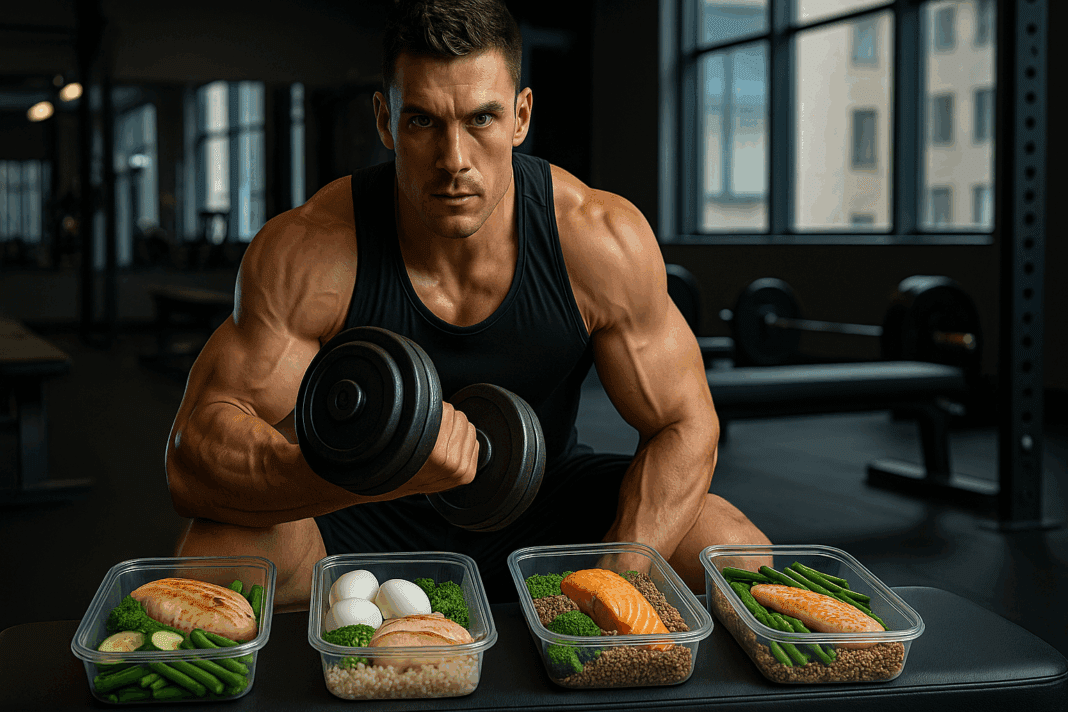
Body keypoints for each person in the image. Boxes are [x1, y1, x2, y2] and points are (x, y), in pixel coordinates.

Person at [167, 0, 771, 610]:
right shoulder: (311, 249)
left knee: (730, 546)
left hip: (545, 502)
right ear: (385, 121)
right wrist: (381, 469)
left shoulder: (596, 238)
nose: (454, 159)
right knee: (215, 558)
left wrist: (618, 576)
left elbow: (684, 423)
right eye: (423, 121)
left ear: (521, 116)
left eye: (481, 118)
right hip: (361, 508)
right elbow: (194, 458)